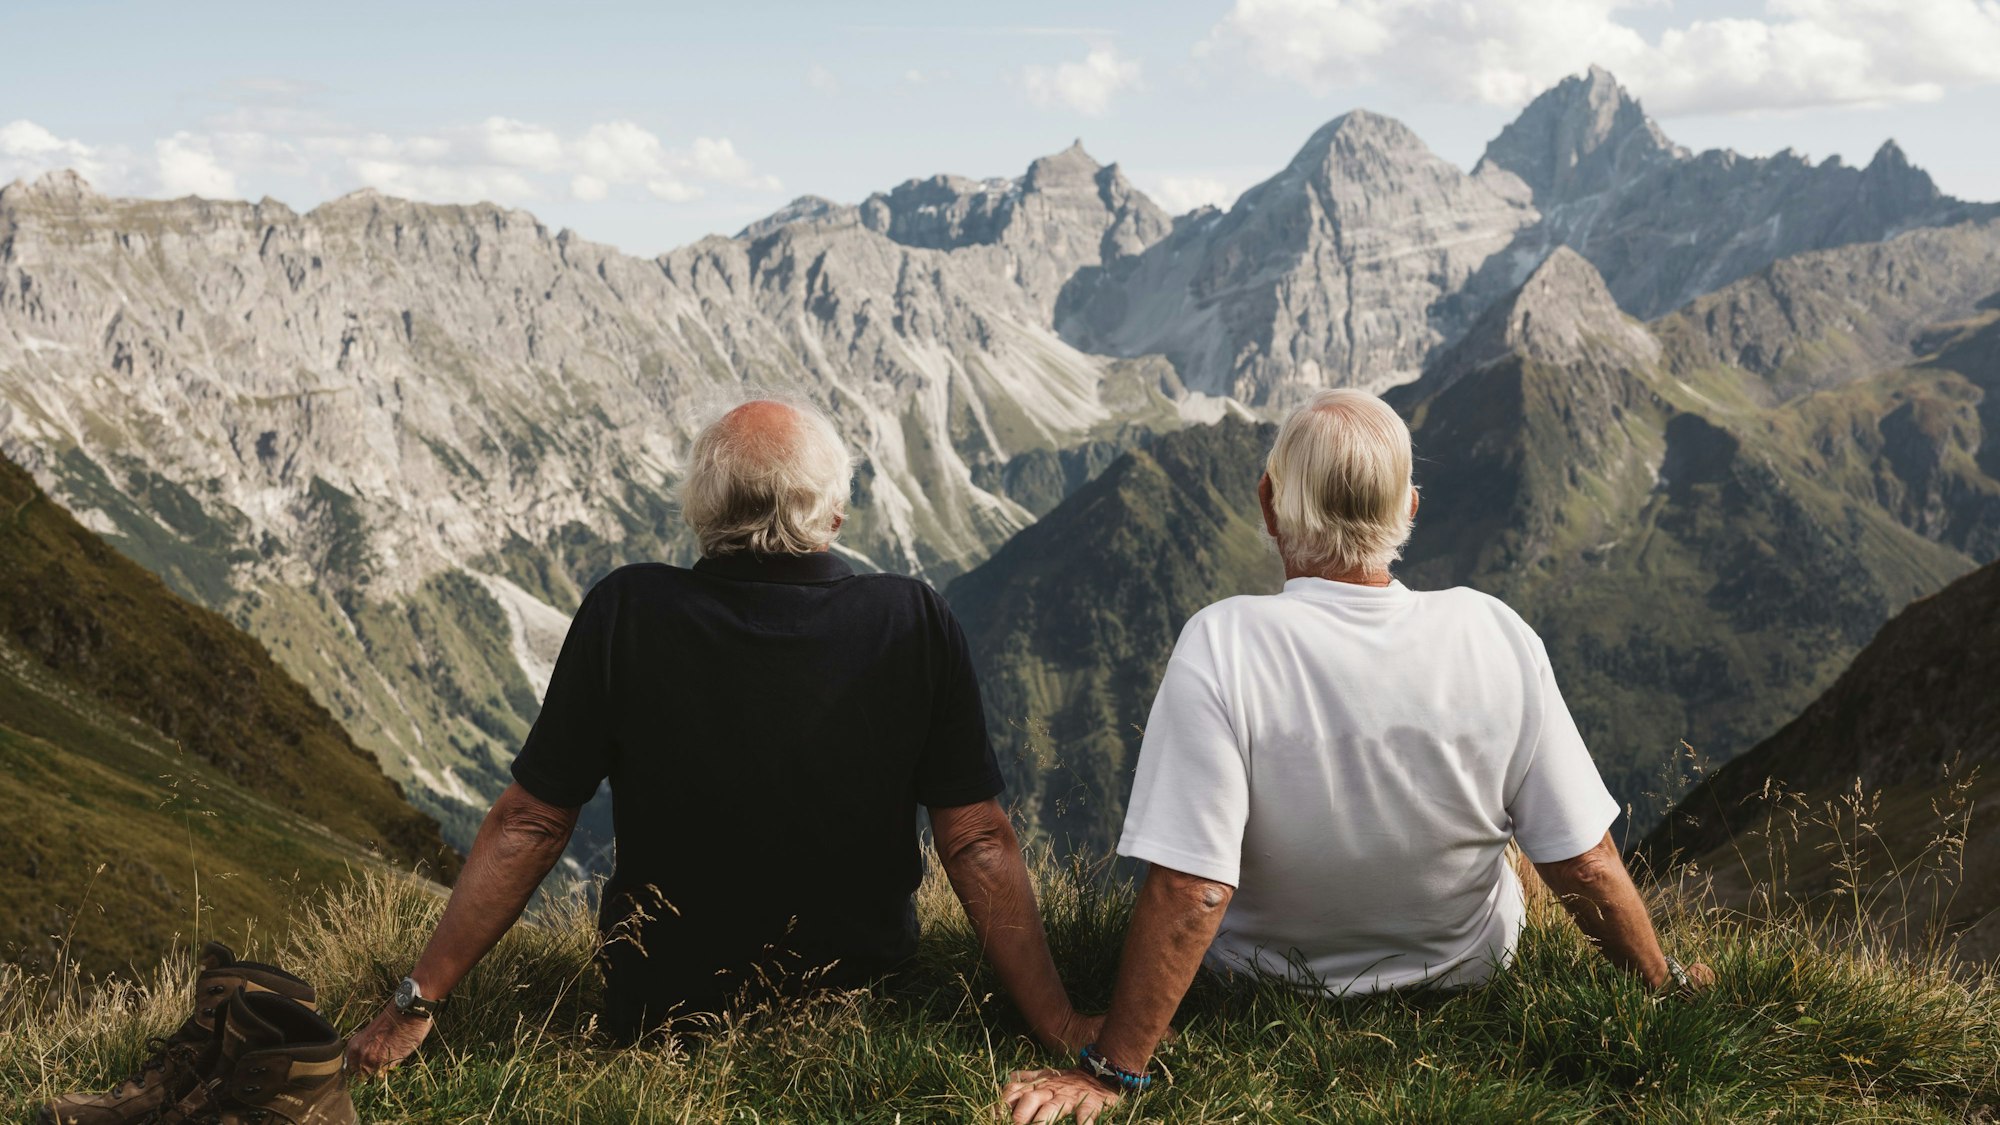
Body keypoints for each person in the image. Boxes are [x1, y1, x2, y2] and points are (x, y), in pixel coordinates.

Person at [1001, 389, 1715, 1124]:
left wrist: (1112, 1072)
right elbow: (1583, 858)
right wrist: (1660, 986)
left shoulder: (1224, 641)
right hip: (1465, 973)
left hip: (1261, 984)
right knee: (1516, 824)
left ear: (1269, 502)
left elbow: (1193, 888)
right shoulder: (1493, 631)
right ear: (1409, 507)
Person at [346, 397, 1097, 1073]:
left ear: (700, 513)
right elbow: (976, 840)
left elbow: (531, 821)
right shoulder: (913, 619)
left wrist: (416, 1002)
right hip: (864, 1007)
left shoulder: (626, 610)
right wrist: (1057, 1022)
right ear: (834, 513)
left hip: (658, 1019)